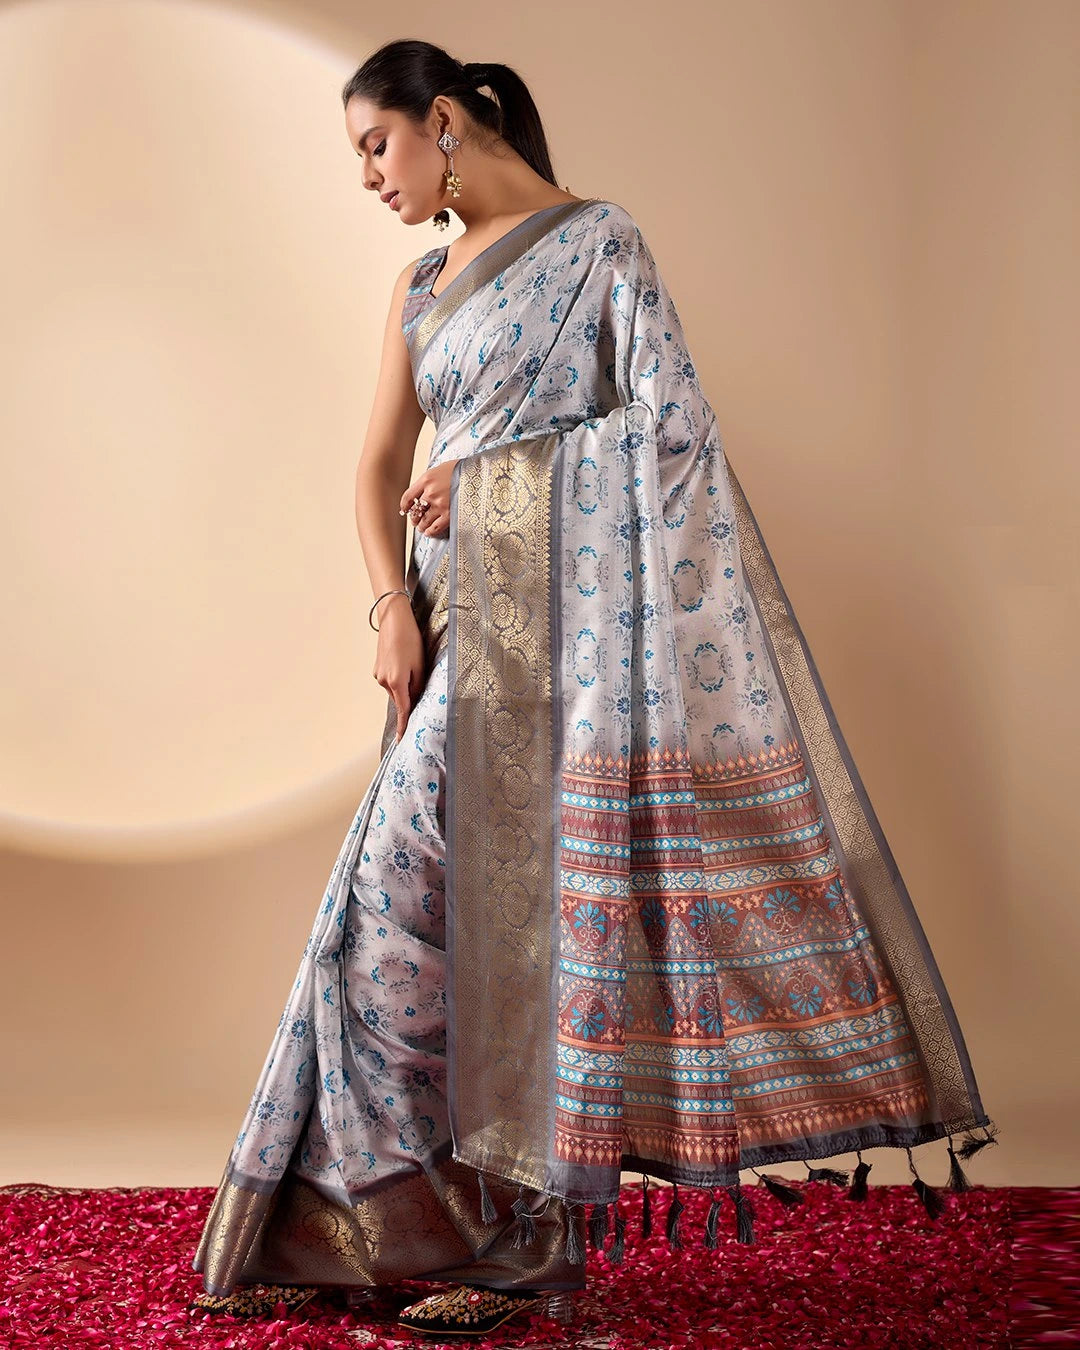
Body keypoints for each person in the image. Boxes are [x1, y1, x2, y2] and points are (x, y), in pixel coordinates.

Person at [190, 37, 998, 1340]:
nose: (366, 177)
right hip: (453, 634)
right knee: (389, 921)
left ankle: (507, 1257)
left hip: (562, 651)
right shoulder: (421, 286)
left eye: (375, 146)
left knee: (511, 941)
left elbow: (669, 440)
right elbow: (377, 460)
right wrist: (392, 605)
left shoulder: (600, 248)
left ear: (441, 120)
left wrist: (503, 471)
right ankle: (355, 1225)